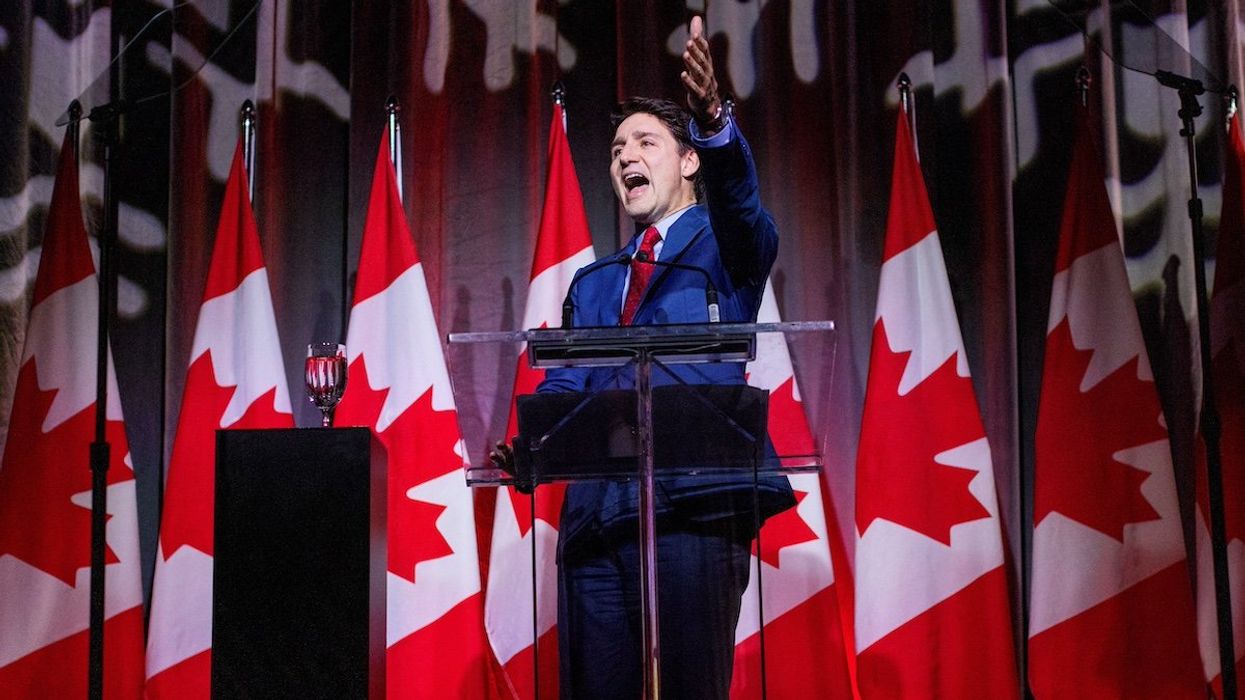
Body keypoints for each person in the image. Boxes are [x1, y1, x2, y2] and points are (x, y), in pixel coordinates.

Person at [492, 16, 794, 699]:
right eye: (616, 146)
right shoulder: (594, 282)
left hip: (692, 506)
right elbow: (570, 382)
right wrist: (536, 447)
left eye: (645, 141)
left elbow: (741, 203)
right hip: (596, 520)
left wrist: (713, 118)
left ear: (689, 161)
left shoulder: (728, 247)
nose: (624, 155)